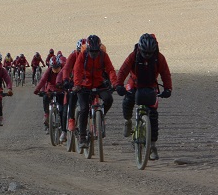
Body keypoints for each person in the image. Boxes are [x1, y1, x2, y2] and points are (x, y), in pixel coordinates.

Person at [115, 33, 172, 161]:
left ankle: (152, 146)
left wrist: (168, 89)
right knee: (128, 100)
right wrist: (118, 85)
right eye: (145, 52)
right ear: (140, 49)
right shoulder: (133, 56)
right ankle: (128, 121)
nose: (147, 55)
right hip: (134, 83)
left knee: (153, 116)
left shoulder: (159, 58)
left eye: (150, 53)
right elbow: (123, 70)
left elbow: (165, 73)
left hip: (150, 86)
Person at [72, 34, 118, 149]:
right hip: (84, 85)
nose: (94, 53)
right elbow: (77, 70)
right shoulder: (83, 56)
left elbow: (110, 69)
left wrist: (115, 83)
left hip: (98, 84)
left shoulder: (103, 56)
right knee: (84, 109)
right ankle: (82, 137)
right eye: (92, 51)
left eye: (96, 51)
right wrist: (77, 84)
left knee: (108, 99)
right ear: (87, 49)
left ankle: (101, 116)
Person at [34, 54, 65, 136]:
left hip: (61, 90)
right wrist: (37, 90)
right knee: (45, 98)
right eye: (54, 68)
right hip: (50, 90)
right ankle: (47, 115)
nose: (55, 69)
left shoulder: (63, 70)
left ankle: (63, 128)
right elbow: (43, 80)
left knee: (62, 109)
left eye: (57, 67)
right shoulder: (48, 71)